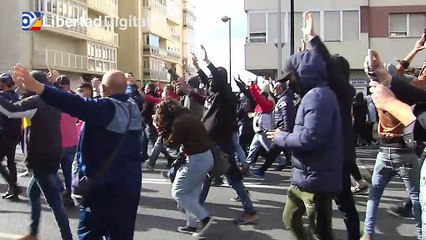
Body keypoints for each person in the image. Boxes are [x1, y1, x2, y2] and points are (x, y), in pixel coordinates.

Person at [13, 65, 143, 240]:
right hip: (129, 185)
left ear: (104, 89)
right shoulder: (132, 105)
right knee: (121, 234)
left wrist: (39, 87)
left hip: (102, 187)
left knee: (89, 233)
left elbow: (73, 103)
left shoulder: (106, 109)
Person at [268, 12, 344, 240]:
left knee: (321, 232)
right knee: (289, 219)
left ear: (303, 74)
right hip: (305, 176)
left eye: (290, 78)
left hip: (316, 180)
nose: (288, 83)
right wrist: (310, 42)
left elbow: (311, 138)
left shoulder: (318, 96)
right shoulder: (313, 94)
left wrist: (281, 137)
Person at [180, 47, 258, 224]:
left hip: (223, 143)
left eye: (214, 79)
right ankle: (197, 208)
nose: (209, 84)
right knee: (208, 176)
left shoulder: (226, 94)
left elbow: (215, 80)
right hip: (212, 142)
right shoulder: (214, 95)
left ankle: (249, 210)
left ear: (220, 80)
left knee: (231, 177)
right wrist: (196, 70)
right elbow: (205, 96)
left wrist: (208, 62)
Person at [0, 70, 72, 240]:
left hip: (40, 158)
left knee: (55, 203)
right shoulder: (52, 99)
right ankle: (33, 233)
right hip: (53, 154)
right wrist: (18, 88)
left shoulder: (36, 102)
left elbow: (11, 110)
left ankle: (67, 237)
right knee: (33, 193)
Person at [362, 45, 423, 240]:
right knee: (416, 198)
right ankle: (421, 232)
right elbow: (412, 84)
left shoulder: (380, 98)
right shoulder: (403, 102)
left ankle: (368, 233)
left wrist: (383, 75)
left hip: (384, 150)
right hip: (404, 151)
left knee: (374, 195)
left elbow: (396, 77)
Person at [154, 98, 215, 236]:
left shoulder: (179, 122)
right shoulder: (188, 116)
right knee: (192, 193)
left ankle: (205, 219)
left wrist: (161, 130)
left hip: (196, 159)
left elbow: (171, 144)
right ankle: (192, 225)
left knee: (178, 192)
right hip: (205, 157)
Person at [252, 76, 295, 177]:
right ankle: (262, 170)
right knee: (273, 152)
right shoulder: (282, 99)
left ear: (280, 88)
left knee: (274, 151)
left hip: (283, 132)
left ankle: (262, 170)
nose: (273, 90)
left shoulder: (284, 100)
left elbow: (287, 117)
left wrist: (284, 130)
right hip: (281, 131)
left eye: (275, 88)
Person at [56, 75, 79, 208]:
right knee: (69, 171)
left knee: (50, 170)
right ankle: (70, 194)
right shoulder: (75, 98)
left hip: (58, 140)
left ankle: (61, 191)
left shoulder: (56, 99)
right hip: (72, 139)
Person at [0, 73, 22, 200]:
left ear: (3, 83)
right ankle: (13, 189)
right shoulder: (16, 96)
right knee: (11, 162)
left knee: (7, 163)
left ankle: (13, 186)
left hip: (4, 134)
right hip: (14, 134)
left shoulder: (2, 97)